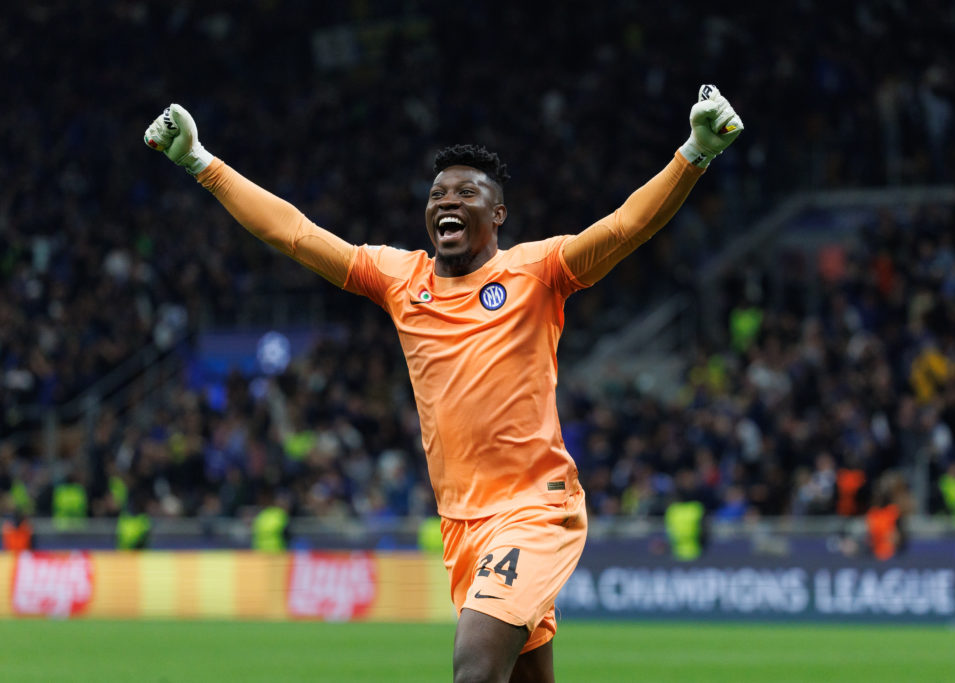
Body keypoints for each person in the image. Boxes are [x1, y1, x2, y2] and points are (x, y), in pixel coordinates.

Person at [144, 84, 742, 683]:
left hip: (535, 509)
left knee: (474, 670)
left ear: (497, 214)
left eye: (465, 192)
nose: (445, 201)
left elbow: (625, 227)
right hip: (460, 524)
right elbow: (295, 234)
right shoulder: (400, 280)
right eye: (436, 194)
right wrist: (201, 162)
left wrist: (695, 151)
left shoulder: (537, 272)